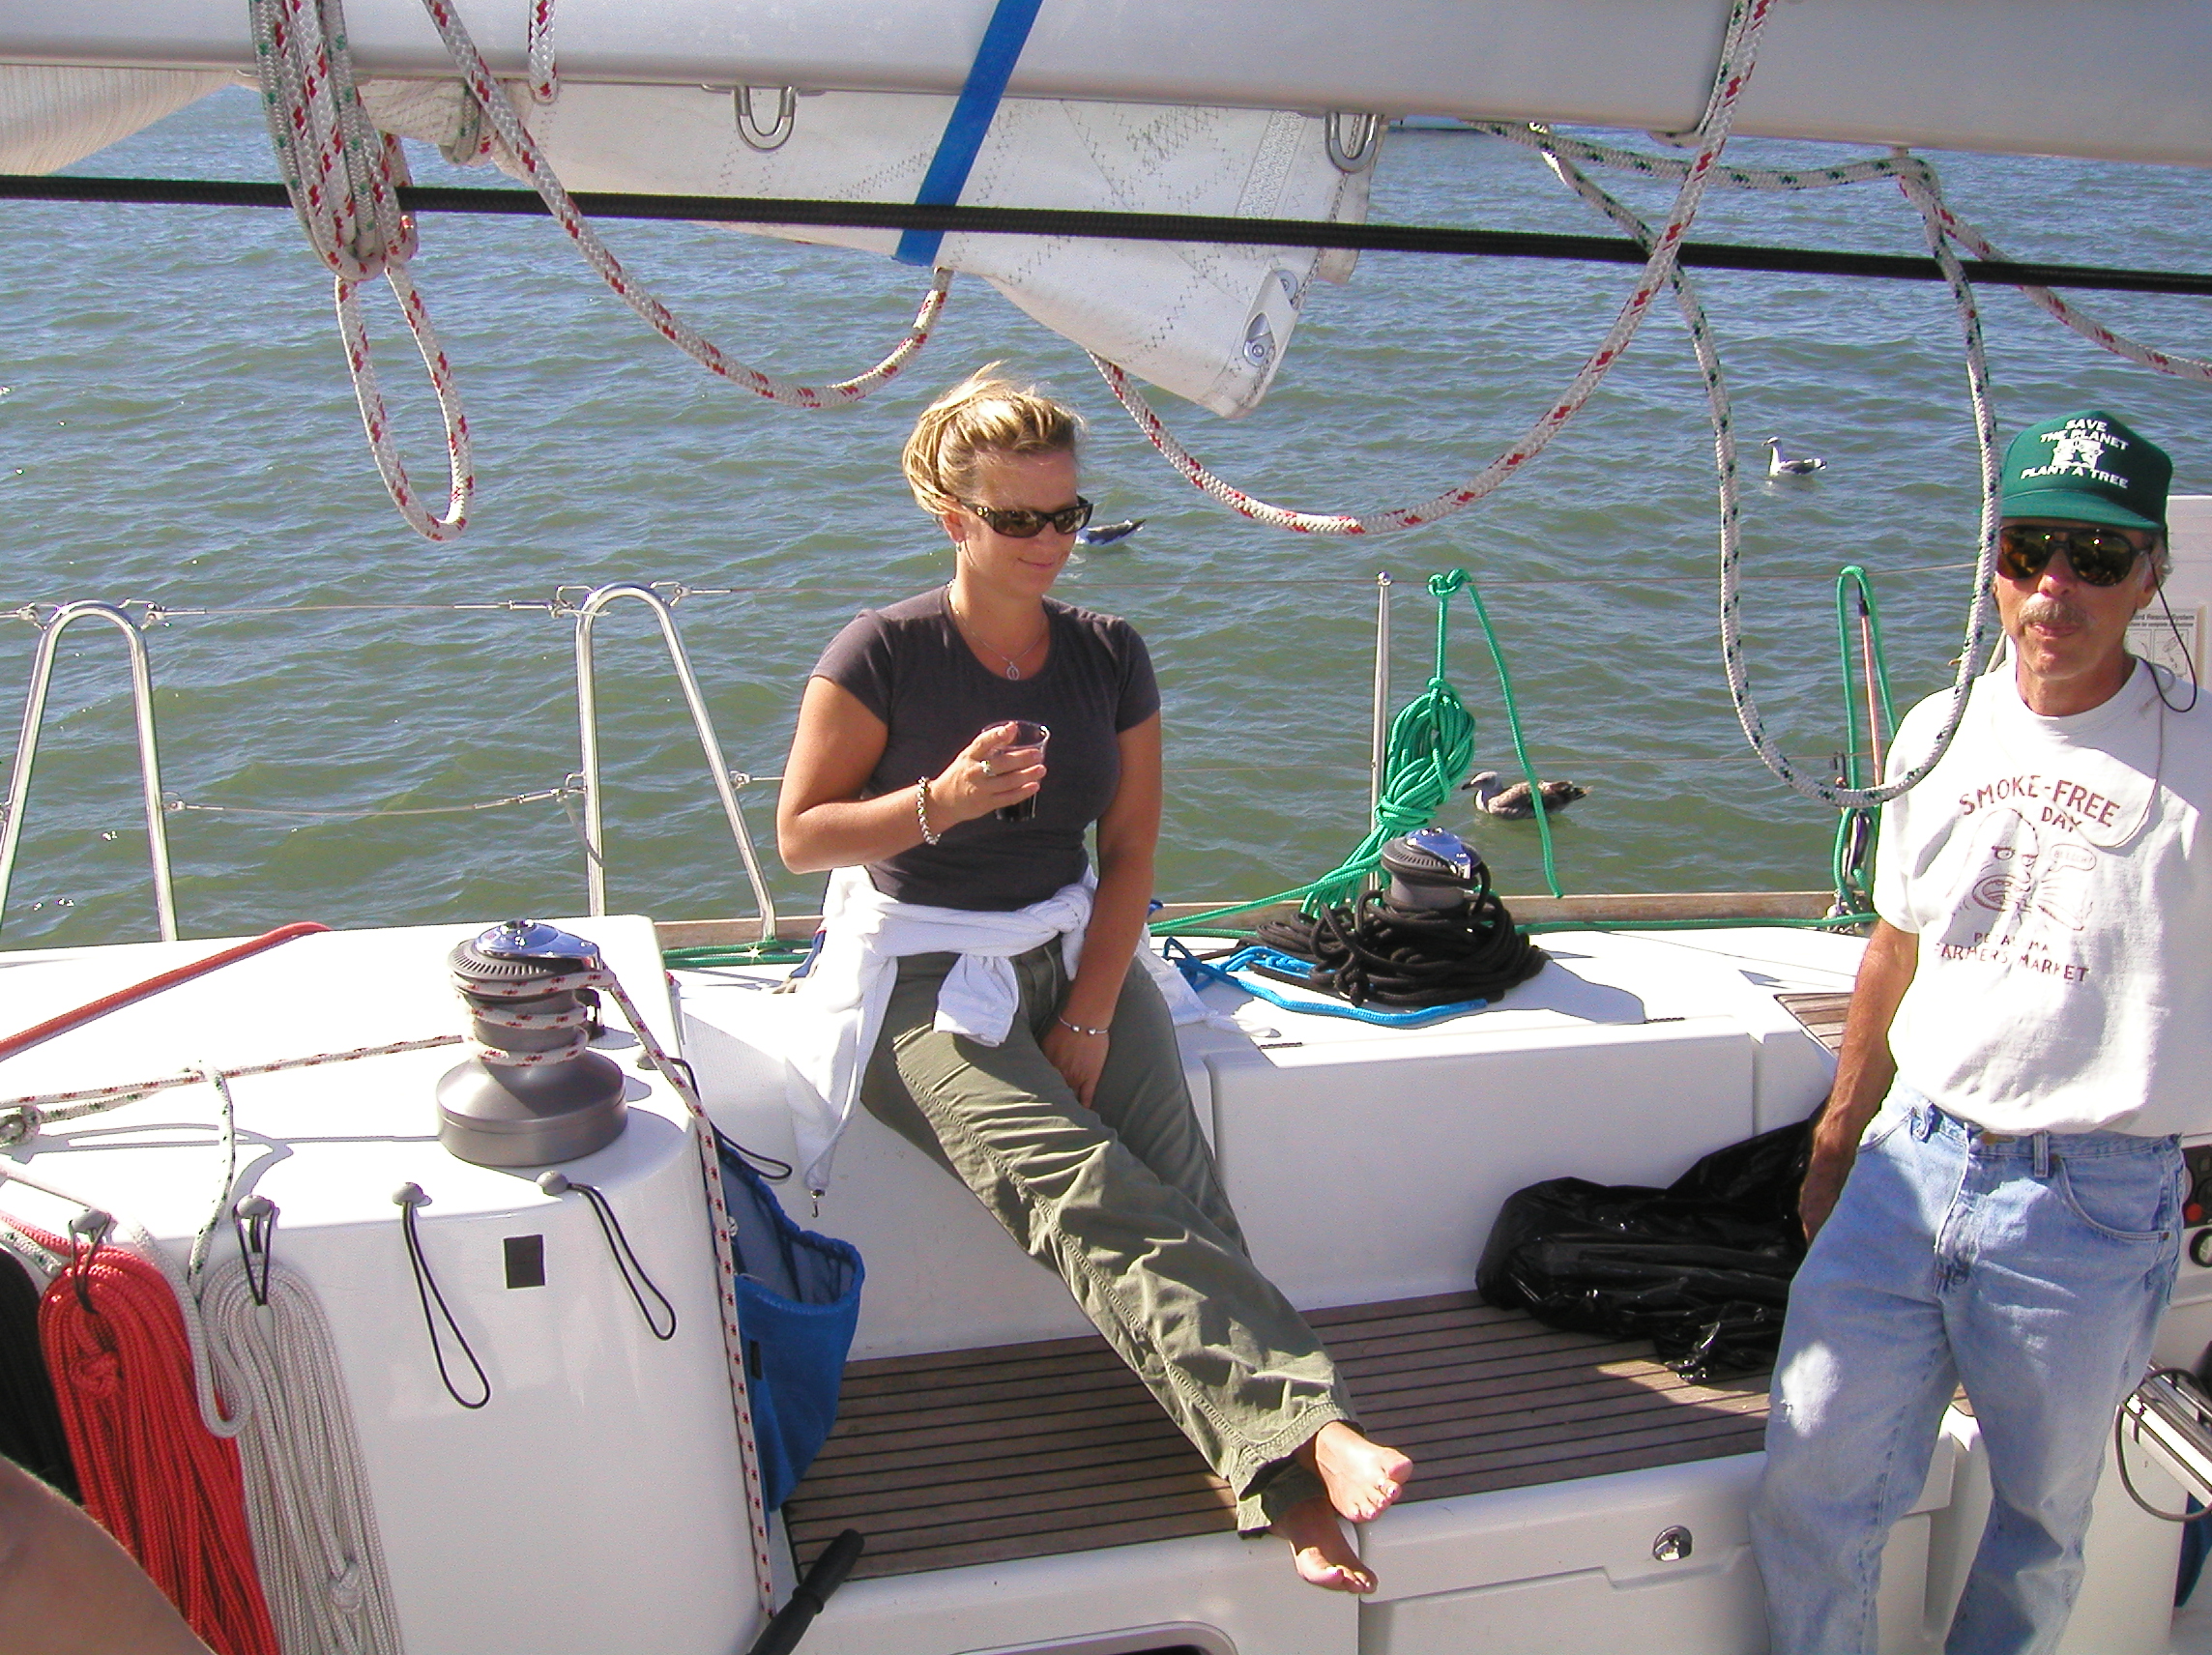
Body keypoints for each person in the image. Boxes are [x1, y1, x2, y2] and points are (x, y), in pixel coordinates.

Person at [775, 368, 1412, 1592]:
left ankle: (1280, 1475)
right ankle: (1312, 1435)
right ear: (953, 516)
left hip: (1071, 948)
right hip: (921, 979)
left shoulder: (1107, 653)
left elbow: (1128, 853)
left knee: (1178, 1182)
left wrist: (1085, 1008)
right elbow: (803, 835)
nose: (1050, 540)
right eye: (1017, 518)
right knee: (1086, 1188)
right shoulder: (883, 652)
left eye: (1065, 514)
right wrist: (938, 801)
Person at [1751, 409, 2211, 1654]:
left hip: (2092, 1201)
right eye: (2027, 550)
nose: (2054, 586)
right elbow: (1892, 945)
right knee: (1807, 1470)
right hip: (1909, 1162)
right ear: (1993, 563)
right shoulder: (1933, 731)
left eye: (2095, 557)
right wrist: (1837, 1134)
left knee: (2037, 1525)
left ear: (2148, 574)